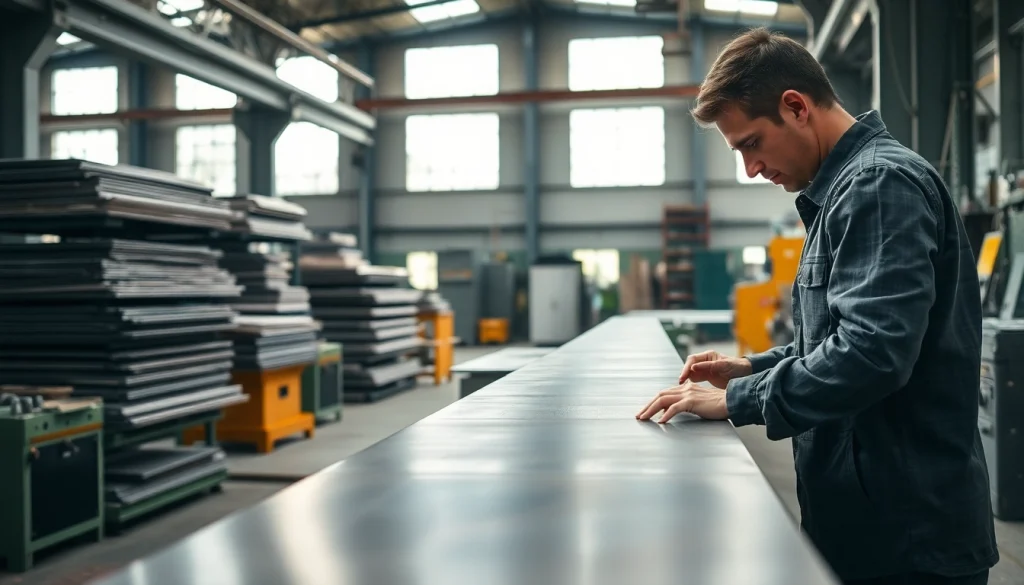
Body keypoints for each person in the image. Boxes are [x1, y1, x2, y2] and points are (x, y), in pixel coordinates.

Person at [636, 27, 998, 585]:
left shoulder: (878, 185)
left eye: (751, 144)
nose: (750, 169)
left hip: (906, 540)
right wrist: (753, 365)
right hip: (870, 527)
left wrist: (740, 398)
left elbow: (872, 355)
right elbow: (842, 334)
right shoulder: (841, 193)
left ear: (796, 107)